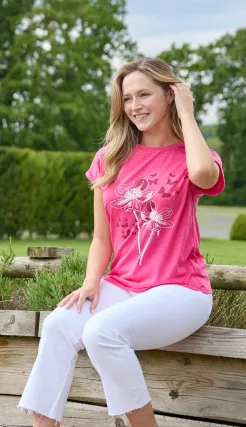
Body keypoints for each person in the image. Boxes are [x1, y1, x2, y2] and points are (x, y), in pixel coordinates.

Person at [17, 57, 225, 427]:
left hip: (181, 290)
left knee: (102, 332)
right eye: (127, 98)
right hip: (123, 285)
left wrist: (188, 116)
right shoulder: (110, 159)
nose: (134, 106)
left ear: (170, 95)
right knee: (58, 326)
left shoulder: (193, 156)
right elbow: (101, 238)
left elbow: (204, 177)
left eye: (144, 94)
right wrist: (91, 283)